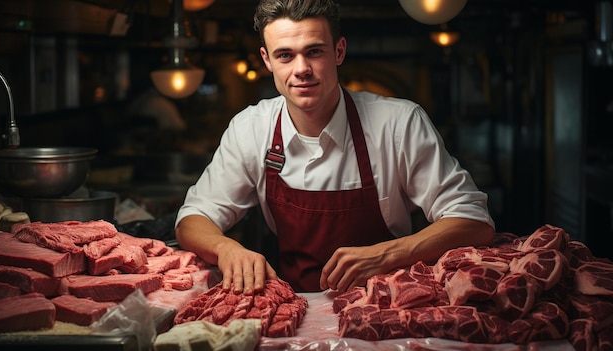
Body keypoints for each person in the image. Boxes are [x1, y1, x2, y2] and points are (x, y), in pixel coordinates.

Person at [175, 0, 495, 294]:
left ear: (339, 51)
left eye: (314, 51)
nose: (301, 68)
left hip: (387, 305)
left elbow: (473, 221)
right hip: (295, 307)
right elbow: (193, 218)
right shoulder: (251, 129)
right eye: (285, 55)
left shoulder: (397, 122)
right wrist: (226, 248)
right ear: (267, 60)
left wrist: (391, 253)